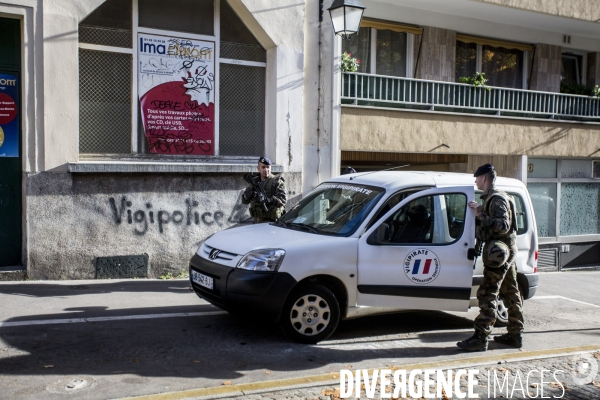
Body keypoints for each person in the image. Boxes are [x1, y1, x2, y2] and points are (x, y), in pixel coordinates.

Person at [457, 163, 524, 352]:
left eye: (477, 178)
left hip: (499, 252)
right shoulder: (496, 197)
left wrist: (480, 214)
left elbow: (503, 226)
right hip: (504, 251)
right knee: (511, 291)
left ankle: (481, 336)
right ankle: (515, 334)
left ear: (484, 178)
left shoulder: (496, 199)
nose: (476, 182)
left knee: (488, 293)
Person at [242, 156, 287, 223]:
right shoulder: (254, 182)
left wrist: (270, 200)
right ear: (258, 168)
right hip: (257, 221)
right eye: (263, 167)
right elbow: (244, 201)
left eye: (268, 167)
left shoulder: (276, 181)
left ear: (271, 168)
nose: (266, 170)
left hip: (273, 222)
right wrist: (249, 195)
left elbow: (283, 200)